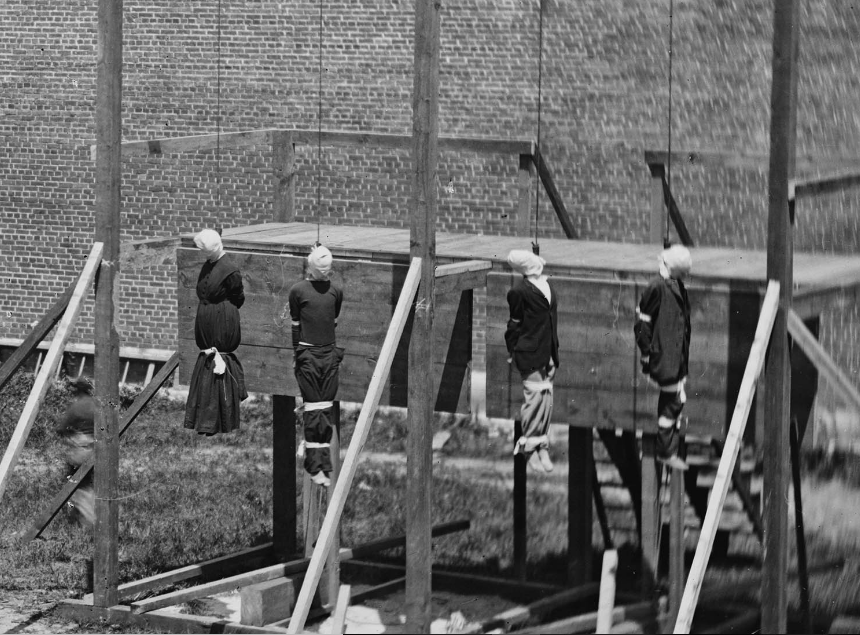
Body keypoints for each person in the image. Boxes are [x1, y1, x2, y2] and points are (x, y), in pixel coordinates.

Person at [287, 245, 344, 488]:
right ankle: (315, 466)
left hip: (328, 354)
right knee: (314, 409)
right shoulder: (298, 291)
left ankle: (323, 465)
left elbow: (333, 320)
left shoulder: (336, 291)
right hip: (309, 354)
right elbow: (295, 325)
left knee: (324, 409)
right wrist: (299, 354)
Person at [184, 228, 248, 434]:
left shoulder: (229, 270)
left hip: (223, 322)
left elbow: (238, 296)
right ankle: (204, 420)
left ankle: (219, 419)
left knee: (219, 372)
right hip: (209, 323)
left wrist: (222, 312)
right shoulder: (209, 264)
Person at [634, 244, 693, 471]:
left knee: (677, 399)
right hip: (663, 357)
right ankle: (666, 451)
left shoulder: (674, 284)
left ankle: (669, 449)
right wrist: (647, 353)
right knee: (674, 401)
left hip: (675, 356)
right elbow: (642, 324)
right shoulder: (656, 287)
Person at [505, 249, 559, 473]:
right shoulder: (519, 291)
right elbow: (515, 325)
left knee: (546, 397)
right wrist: (512, 351)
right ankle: (529, 446)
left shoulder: (547, 285)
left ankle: (541, 445)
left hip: (547, 350)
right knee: (535, 397)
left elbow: (550, 319)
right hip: (528, 351)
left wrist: (554, 354)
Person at [56, 377, 96, 528]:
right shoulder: (97, 406)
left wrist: (69, 436)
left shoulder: (76, 406)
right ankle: (80, 519)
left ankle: (88, 521)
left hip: (80, 451)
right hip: (96, 450)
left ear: (77, 390)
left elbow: (61, 428)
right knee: (87, 484)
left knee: (76, 485)